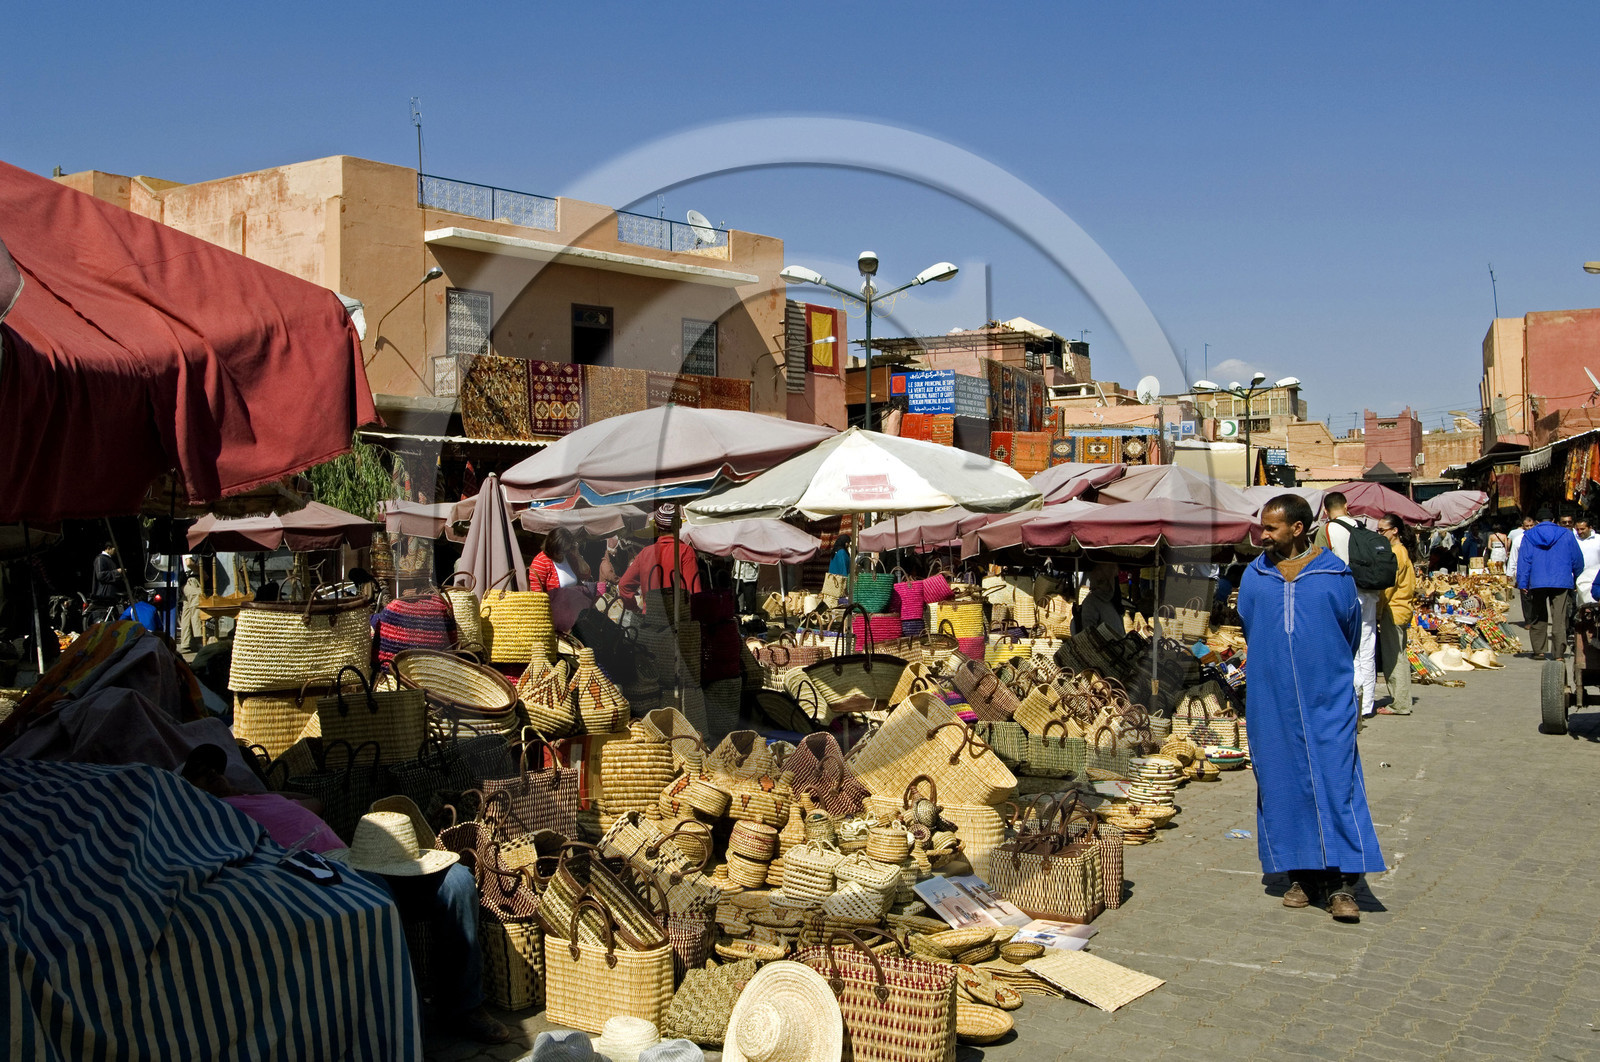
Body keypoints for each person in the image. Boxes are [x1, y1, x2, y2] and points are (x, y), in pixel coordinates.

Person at [179, 746, 512, 1044]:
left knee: (457, 880)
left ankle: (464, 1006)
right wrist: (218, 799)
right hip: (324, 879)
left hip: (366, 856)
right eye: (202, 776)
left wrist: (249, 791)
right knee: (380, 899)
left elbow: (315, 803)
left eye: (214, 770)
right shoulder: (216, 818)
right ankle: (407, 1017)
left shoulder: (255, 798)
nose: (213, 776)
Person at [1238, 494, 1385, 923]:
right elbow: (1252, 625)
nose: (1262, 534)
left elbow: (1349, 633)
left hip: (1328, 699)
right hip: (1271, 701)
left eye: (1271, 528)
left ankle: (1342, 885)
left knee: (1337, 784)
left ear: (1298, 529)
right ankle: (1300, 876)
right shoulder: (1255, 576)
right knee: (1283, 783)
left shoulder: (1334, 575)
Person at [1314, 491, 1381, 718]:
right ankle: (1367, 703)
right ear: (1346, 505)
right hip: (1369, 593)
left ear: (1325, 511)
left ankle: (1351, 701)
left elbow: (1317, 565)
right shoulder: (1361, 527)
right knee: (1367, 647)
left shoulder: (1326, 530)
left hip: (1343, 594)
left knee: (1346, 649)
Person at [1516, 516, 1584, 660]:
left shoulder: (1528, 535)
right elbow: (1577, 558)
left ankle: (1539, 650)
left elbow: (1524, 560)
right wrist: (1578, 577)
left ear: (1537, 521)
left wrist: (1523, 583)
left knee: (1538, 615)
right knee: (1559, 617)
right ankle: (1558, 653)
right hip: (1561, 580)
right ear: (1553, 519)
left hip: (1537, 580)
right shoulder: (1566, 534)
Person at [617, 504, 703, 614]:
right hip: (678, 621)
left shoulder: (645, 553)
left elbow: (623, 585)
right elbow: (694, 592)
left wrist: (634, 608)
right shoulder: (685, 551)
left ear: (656, 526)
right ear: (679, 525)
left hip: (650, 622)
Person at [1375, 514, 1416, 715]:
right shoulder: (1399, 551)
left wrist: (1377, 609)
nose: (1380, 533)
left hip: (1394, 609)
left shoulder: (1397, 553)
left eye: (1382, 530)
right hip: (1400, 609)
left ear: (1394, 531)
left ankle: (1400, 703)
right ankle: (1401, 700)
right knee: (1399, 655)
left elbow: (1389, 586)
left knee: (1395, 658)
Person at [528, 527, 587, 592]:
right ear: (552, 546)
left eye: (566, 550)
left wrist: (577, 555)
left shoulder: (569, 556)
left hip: (575, 598)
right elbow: (537, 592)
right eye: (561, 551)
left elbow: (586, 575)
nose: (563, 554)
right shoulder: (541, 561)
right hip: (554, 601)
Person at [1576, 517, 1600, 607]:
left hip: (1594, 577)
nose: (1580, 532)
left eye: (1582, 529)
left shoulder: (1598, 539)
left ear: (1590, 528)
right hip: (1579, 578)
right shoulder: (1574, 540)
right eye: (1577, 529)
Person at [91, 542, 122, 608]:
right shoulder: (100, 559)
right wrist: (117, 572)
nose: (116, 551)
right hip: (103, 595)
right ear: (108, 548)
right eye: (115, 549)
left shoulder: (110, 559)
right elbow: (100, 575)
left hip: (110, 594)